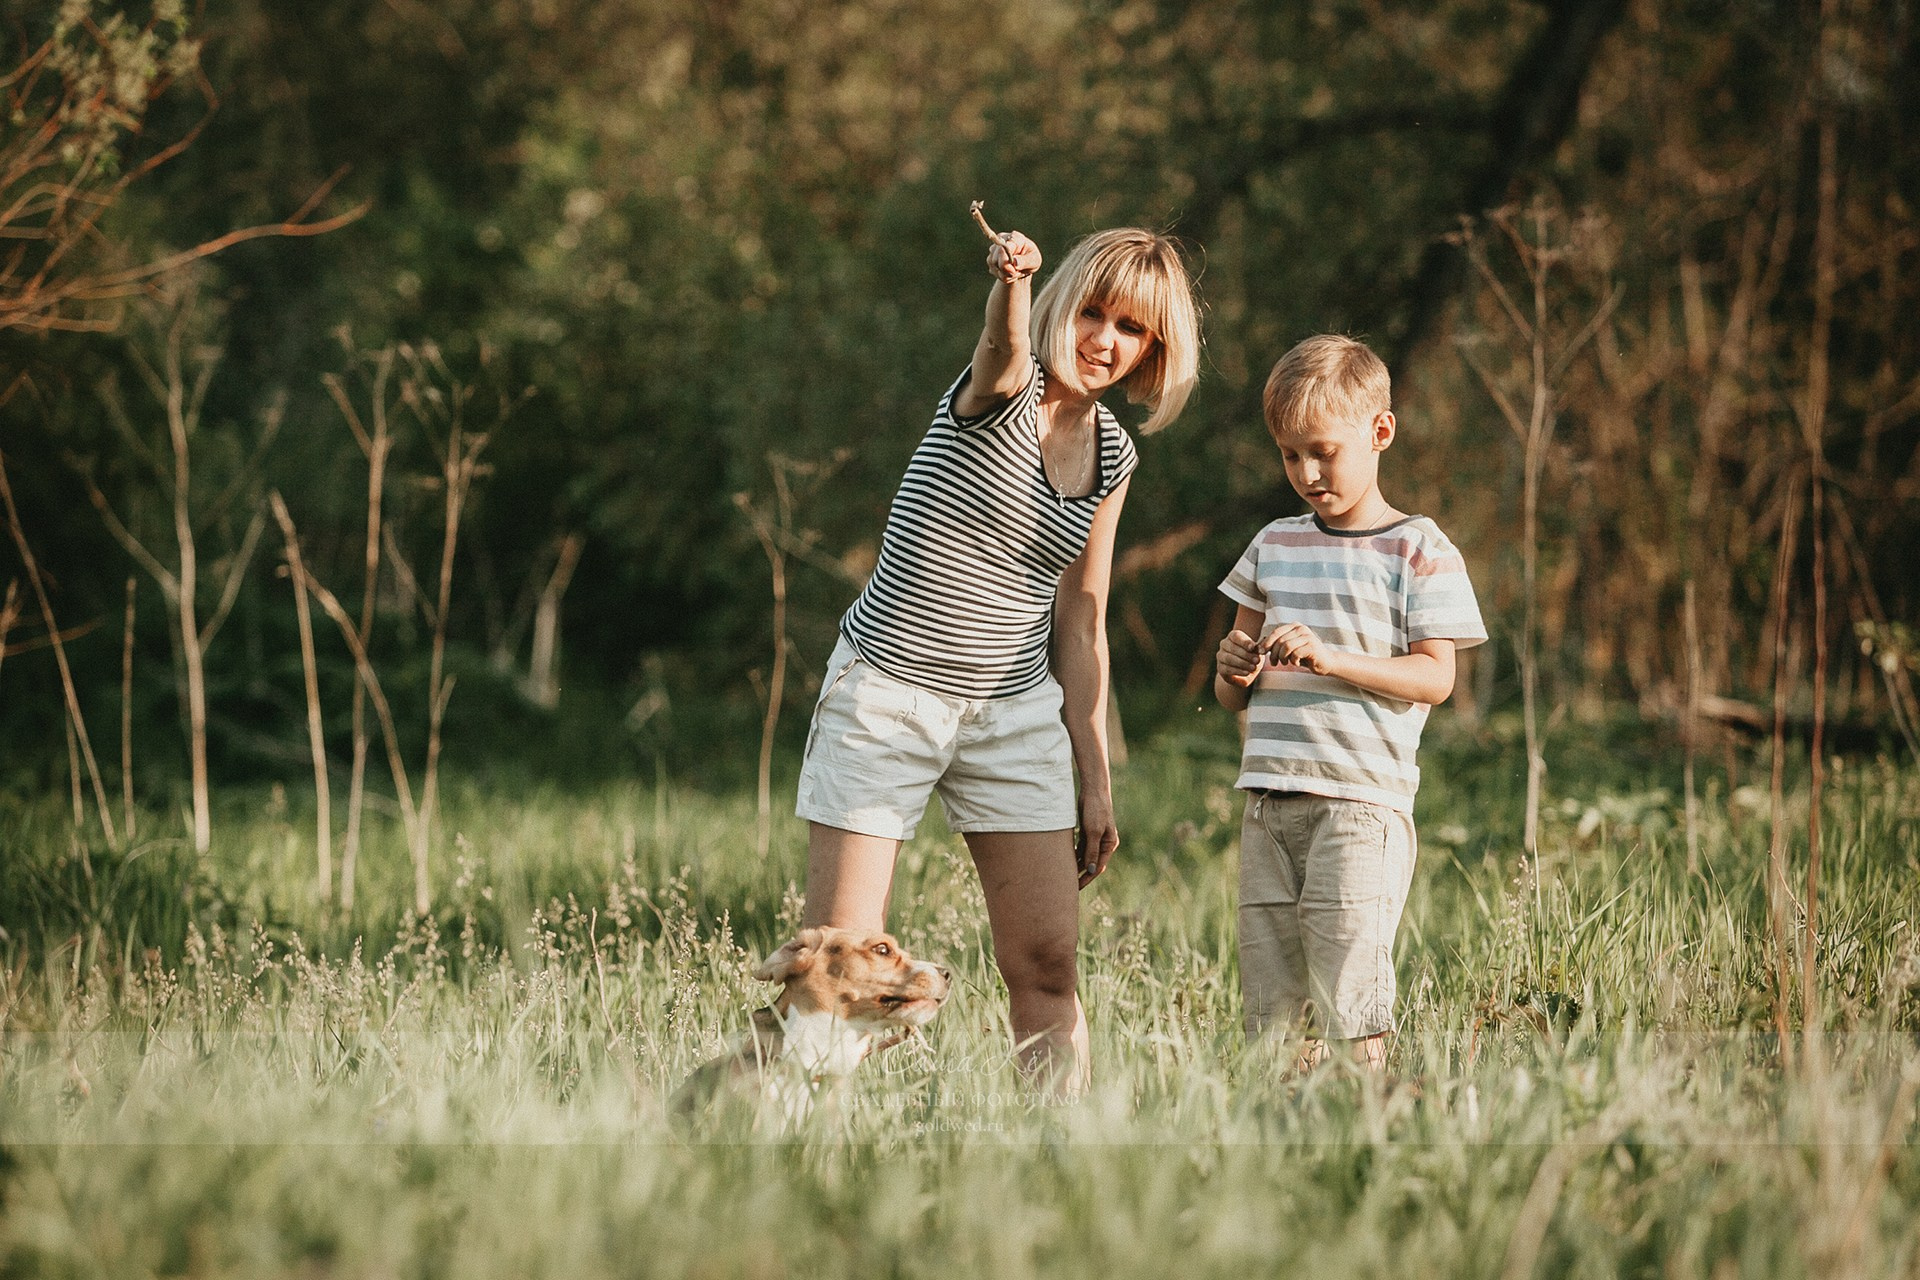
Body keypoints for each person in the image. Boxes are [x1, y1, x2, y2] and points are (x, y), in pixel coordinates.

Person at [797, 222, 1201, 1092]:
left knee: (1049, 965)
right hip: (888, 696)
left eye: (1130, 329)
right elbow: (1001, 344)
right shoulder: (1003, 390)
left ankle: (1054, 1158)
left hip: (1013, 717)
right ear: (1061, 306)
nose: (1104, 340)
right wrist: (1012, 282)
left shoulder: (1116, 457)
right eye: (1092, 311)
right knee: (838, 963)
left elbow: (1083, 617)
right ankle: (799, 1148)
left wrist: (1093, 776)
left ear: (1152, 350)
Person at [1213, 334, 1486, 1073]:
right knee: (1273, 1008)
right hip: (1268, 806)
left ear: (1381, 431)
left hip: (1360, 810)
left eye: (1322, 452)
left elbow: (1436, 678)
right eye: (1289, 455)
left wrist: (1332, 658)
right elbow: (1229, 693)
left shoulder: (1418, 549)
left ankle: (1368, 1126)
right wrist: (1234, 666)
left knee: (1349, 995)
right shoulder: (1273, 542)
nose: (1306, 473)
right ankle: (1289, 1144)